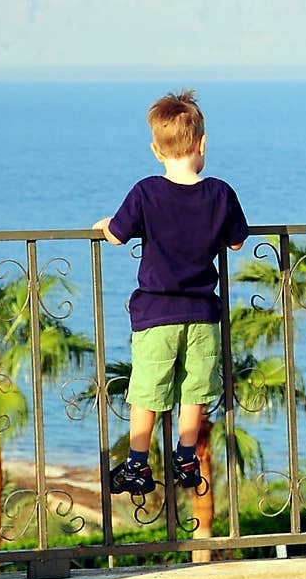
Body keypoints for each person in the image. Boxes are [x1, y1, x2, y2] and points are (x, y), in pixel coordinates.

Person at [92, 88, 249, 497]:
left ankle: (137, 465)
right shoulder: (219, 192)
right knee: (194, 390)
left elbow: (118, 235)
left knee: (147, 391)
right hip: (202, 314)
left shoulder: (146, 192)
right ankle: (185, 456)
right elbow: (236, 242)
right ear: (202, 143)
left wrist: (105, 224)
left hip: (156, 314)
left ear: (155, 150)